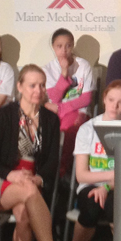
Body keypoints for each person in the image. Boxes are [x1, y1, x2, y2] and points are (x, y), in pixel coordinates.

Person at [0, 64, 64, 241]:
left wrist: (39, 178)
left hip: (32, 182)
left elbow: (52, 160)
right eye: (32, 85)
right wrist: (10, 174)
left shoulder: (50, 120)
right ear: (20, 87)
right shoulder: (0, 117)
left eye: (42, 85)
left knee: (24, 215)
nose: (38, 91)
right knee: (29, 192)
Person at [65, 80, 121, 241]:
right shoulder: (87, 129)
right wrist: (104, 182)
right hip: (90, 185)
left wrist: (106, 186)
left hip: (119, 187)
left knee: (117, 208)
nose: (115, 106)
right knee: (91, 206)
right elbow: (81, 175)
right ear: (104, 99)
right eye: (111, 100)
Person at [44, 29, 95, 174]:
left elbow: (86, 98)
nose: (64, 50)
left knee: (68, 129)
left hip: (78, 112)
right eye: (59, 46)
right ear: (53, 47)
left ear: (72, 46)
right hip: (55, 112)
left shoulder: (83, 65)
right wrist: (64, 72)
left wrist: (61, 108)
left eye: (68, 46)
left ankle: (62, 171)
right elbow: (54, 97)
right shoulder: (47, 69)